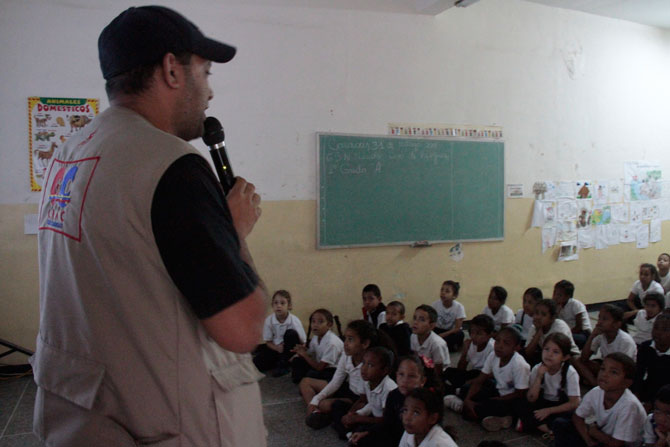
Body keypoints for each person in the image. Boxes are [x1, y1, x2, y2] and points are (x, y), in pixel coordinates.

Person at [34, 6, 268, 446]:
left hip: (83, 418)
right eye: (206, 72)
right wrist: (233, 235)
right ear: (171, 70)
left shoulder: (71, 153)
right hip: (166, 424)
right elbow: (243, 329)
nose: (210, 93)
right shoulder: (170, 164)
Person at [553, 353, 646, 447]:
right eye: (603, 369)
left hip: (621, 445)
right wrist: (588, 440)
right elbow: (577, 417)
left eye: (613, 372)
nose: (605, 374)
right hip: (603, 437)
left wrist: (594, 432)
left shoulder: (630, 405)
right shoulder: (597, 391)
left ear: (627, 383)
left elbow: (617, 444)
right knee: (561, 424)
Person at [302, 320, 373, 430]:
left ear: (365, 344)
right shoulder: (347, 355)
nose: (345, 343)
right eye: (345, 338)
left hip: (359, 399)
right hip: (348, 388)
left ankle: (325, 414)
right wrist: (314, 401)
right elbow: (336, 381)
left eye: (350, 339)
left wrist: (354, 413)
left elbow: (367, 399)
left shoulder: (370, 364)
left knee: (325, 404)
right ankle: (314, 412)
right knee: (305, 382)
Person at [462, 326, 530, 432]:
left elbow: (520, 394)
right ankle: (476, 410)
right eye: (497, 341)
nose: (499, 346)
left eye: (506, 343)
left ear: (516, 347)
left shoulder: (519, 364)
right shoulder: (494, 355)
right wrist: (468, 399)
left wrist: (495, 400)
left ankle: (506, 418)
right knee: (466, 389)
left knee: (483, 407)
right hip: (498, 391)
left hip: (511, 399)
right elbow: (480, 380)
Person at [350, 355, 428, 447]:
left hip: (414, 440)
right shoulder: (393, 395)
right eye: (401, 374)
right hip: (394, 436)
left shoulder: (425, 401)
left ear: (422, 381)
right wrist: (367, 433)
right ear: (396, 375)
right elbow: (387, 422)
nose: (405, 380)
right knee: (360, 439)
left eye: (411, 376)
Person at [515, 333, 581, 435]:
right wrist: (539, 377)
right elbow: (531, 398)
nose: (549, 354)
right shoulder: (537, 368)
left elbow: (574, 403)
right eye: (546, 349)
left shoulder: (570, 373)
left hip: (560, 407)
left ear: (565, 357)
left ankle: (535, 426)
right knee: (521, 404)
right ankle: (548, 431)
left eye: (555, 352)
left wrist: (549, 410)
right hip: (542, 402)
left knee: (569, 418)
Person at [339, 347, 397, 440]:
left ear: (384, 370)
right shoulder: (367, 379)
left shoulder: (389, 389)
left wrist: (358, 418)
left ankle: (352, 434)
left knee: (369, 437)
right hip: (372, 416)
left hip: (383, 424)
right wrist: (352, 414)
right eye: (363, 363)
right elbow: (364, 400)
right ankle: (350, 433)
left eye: (370, 365)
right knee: (338, 407)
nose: (364, 369)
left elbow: (385, 420)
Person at [576, 304, 637, 387]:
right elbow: (584, 358)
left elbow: (624, 369)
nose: (599, 322)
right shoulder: (601, 335)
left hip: (620, 372)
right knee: (576, 360)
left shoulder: (625, 341)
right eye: (599, 318)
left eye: (604, 319)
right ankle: (595, 384)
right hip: (606, 367)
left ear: (616, 324)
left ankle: (595, 383)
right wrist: (592, 336)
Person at [443, 314, 495, 409]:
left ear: (489, 335)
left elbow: (492, 374)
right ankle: (456, 392)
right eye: (471, 332)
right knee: (448, 372)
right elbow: (461, 369)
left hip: (485, 378)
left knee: (485, 388)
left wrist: (472, 381)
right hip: (473, 374)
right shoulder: (471, 344)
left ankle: (456, 393)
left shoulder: (492, 348)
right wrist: (464, 352)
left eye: (478, 333)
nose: (473, 336)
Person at [253, 290, 306, 376]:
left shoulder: (294, 321)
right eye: (276, 303)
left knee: (291, 333)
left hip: (290, 350)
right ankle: (278, 361)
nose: (279, 306)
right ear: (272, 305)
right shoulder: (269, 320)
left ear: (289, 306)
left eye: (282, 303)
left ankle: (285, 364)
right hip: (276, 348)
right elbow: (268, 342)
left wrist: (296, 354)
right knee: (256, 363)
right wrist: (277, 348)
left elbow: (303, 342)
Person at [290, 308, 343, 384]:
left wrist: (304, 355)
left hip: (333, 371)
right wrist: (301, 351)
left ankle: (310, 383)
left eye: (320, 322)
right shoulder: (316, 337)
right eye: (313, 321)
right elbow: (311, 354)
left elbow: (320, 367)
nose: (315, 324)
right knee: (297, 361)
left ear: (329, 325)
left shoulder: (332, 342)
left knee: (312, 374)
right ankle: (303, 381)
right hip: (320, 366)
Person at [524, 299, 580, 366]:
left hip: (568, 356)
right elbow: (528, 353)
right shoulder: (534, 327)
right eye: (536, 313)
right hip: (550, 356)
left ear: (552, 318)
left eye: (543, 315)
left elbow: (561, 352)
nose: (538, 317)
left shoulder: (559, 326)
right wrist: (538, 332)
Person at [634, 313, 670, 408]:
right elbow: (638, 374)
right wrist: (636, 396)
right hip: (649, 389)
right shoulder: (646, 347)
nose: (658, 332)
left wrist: (653, 403)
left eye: (665, 329)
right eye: (656, 328)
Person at [411, 305, 450, 375]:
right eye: (414, 318)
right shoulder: (413, 336)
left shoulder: (437, 344)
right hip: (422, 369)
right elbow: (415, 356)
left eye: (422, 319)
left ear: (431, 326)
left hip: (437, 373)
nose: (415, 322)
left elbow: (439, 369)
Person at [552, 280, 592, 349]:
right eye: (554, 293)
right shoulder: (557, 306)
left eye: (559, 295)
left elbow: (579, 326)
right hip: (568, 332)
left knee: (559, 340)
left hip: (583, 334)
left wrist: (566, 334)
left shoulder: (575, 304)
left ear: (568, 296)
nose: (556, 296)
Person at [433, 280, 466, 352]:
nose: (443, 293)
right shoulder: (435, 305)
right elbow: (431, 322)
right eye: (442, 290)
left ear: (454, 296)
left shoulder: (459, 307)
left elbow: (457, 328)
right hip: (437, 329)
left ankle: (455, 346)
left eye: (447, 291)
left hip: (450, 332)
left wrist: (442, 335)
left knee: (460, 334)